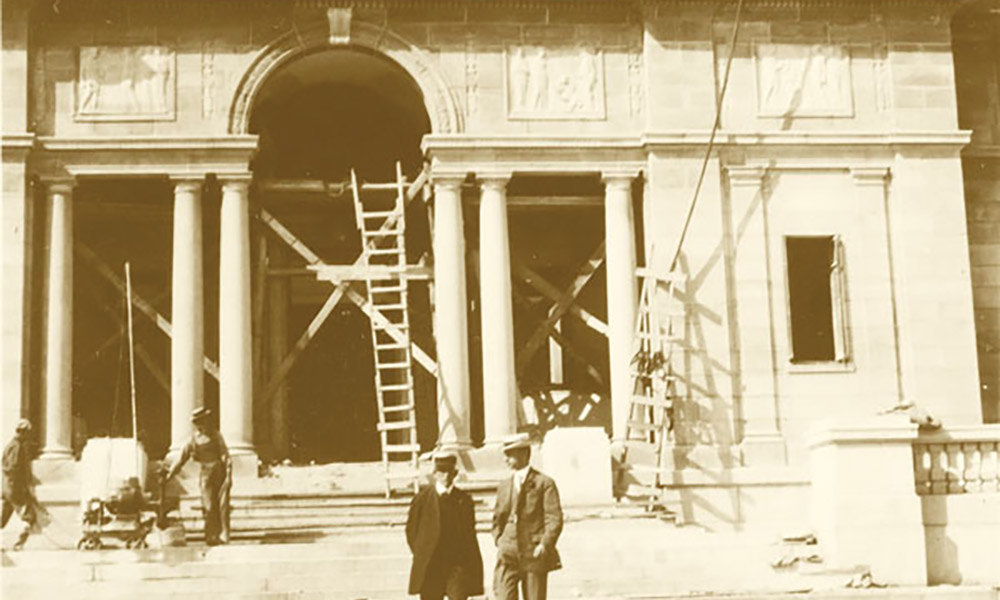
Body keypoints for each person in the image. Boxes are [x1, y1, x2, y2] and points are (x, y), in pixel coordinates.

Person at [492, 433, 563, 600]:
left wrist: (544, 544)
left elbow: (554, 518)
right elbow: (497, 518)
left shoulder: (544, 483)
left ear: (523, 453)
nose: (506, 459)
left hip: (533, 552)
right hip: (508, 551)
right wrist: (499, 540)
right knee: (503, 595)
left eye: (509, 454)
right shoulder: (504, 485)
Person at [406, 449, 484, 600]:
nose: (446, 476)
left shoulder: (464, 500)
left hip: (457, 566)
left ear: (455, 474)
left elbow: (469, 534)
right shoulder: (422, 500)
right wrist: (422, 552)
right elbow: (411, 531)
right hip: (431, 566)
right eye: (441, 471)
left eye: (449, 471)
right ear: (434, 473)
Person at [165, 407, 232, 545]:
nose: (201, 426)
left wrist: (229, 473)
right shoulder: (193, 440)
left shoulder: (216, 435)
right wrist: (170, 474)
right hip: (206, 475)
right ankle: (211, 535)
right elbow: (181, 459)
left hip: (220, 472)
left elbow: (225, 453)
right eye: (197, 423)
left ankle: (224, 534)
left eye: (202, 422)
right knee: (208, 505)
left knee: (223, 505)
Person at [2, 419, 38, 550]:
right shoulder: (17, 447)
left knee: (3, 518)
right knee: (29, 517)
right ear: (23, 432)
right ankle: (18, 543)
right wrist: (23, 487)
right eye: (28, 433)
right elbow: (13, 468)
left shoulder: (11, 445)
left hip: (8, 488)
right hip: (14, 488)